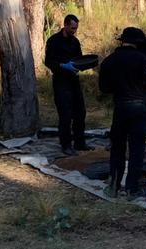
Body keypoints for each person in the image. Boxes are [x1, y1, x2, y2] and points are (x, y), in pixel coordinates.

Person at [99, 27, 146, 199]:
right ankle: (132, 188)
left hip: (120, 107)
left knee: (117, 147)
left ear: (122, 41)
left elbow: (104, 88)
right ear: (138, 43)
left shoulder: (109, 60)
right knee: (136, 149)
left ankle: (114, 186)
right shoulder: (142, 59)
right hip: (138, 108)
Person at [44, 14, 88, 156]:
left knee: (80, 112)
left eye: (76, 28)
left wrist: (83, 65)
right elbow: (49, 62)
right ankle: (66, 144)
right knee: (65, 114)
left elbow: (80, 59)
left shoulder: (75, 42)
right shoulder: (53, 41)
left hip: (74, 80)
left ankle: (80, 142)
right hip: (61, 82)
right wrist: (63, 66)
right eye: (72, 28)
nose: (74, 31)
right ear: (65, 25)